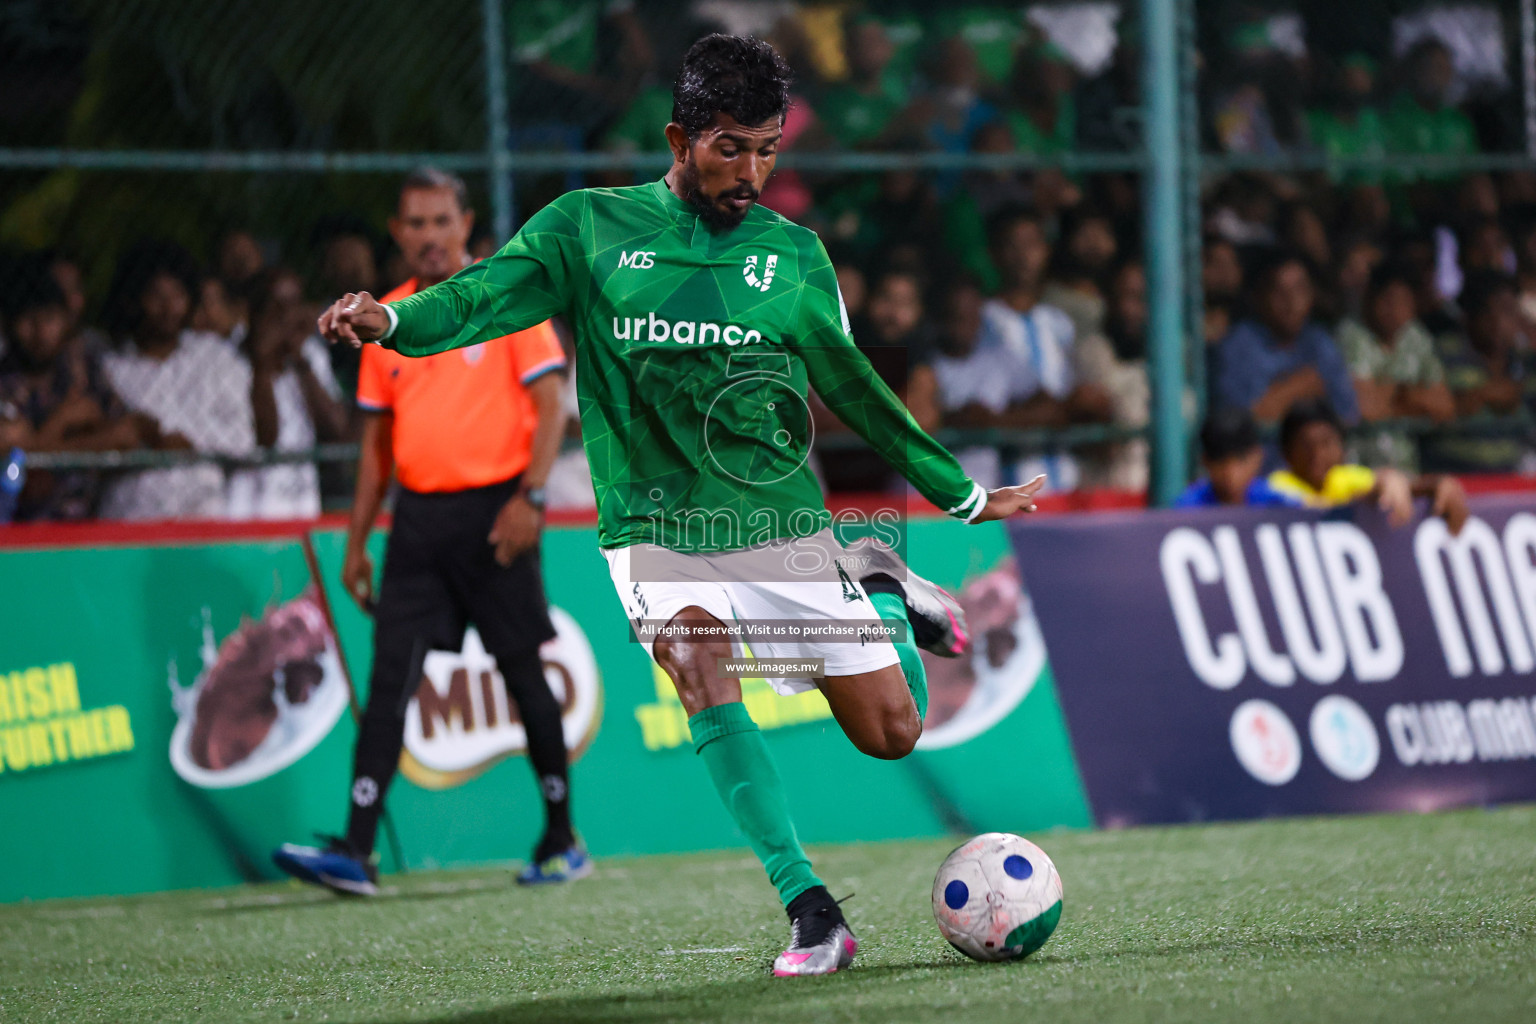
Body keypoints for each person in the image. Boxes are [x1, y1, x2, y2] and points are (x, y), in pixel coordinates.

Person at [315, 35, 1043, 977]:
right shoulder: (589, 227)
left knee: (892, 735)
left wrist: (965, 494)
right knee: (699, 662)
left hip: (774, 520)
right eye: (730, 147)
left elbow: (857, 388)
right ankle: (812, 911)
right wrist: (394, 323)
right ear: (678, 137)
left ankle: (885, 582)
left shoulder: (794, 258)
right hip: (654, 526)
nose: (752, 172)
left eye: (769, 149)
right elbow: (482, 298)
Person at [273, 169, 580, 894]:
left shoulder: (505, 296)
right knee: (389, 681)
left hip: (498, 512)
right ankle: (356, 849)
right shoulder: (387, 320)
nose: (430, 235)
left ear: (466, 224)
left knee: (522, 674)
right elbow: (375, 449)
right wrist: (355, 542)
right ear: (397, 231)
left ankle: (561, 838)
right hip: (416, 522)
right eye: (415, 223)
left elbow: (551, 407)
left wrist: (531, 498)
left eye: (442, 221)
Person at [98, 241, 257, 521]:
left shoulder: (216, 358)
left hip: (202, 519)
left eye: (178, 295)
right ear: (133, 299)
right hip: (130, 519)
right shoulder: (111, 368)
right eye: (156, 296)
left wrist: (188, 442)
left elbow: (242, 438)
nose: (169, 307)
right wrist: (148, 444)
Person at [978, 205, 1113, 491]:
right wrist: (1053, 413)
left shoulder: (1058, 321)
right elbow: (986, 411)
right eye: (1013, 246)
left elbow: (1081, 398)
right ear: (995, 253)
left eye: (1032, 244)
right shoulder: (984, 321)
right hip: (1001, 481)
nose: (1024, 256)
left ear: (1046, 251)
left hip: (1064, 478)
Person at [0, 257, 145, 520]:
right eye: (27, 319)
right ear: (9, 324)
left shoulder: (82, 372)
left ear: (66, 321)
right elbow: (26, 481)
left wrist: (40, 447)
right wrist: (62, 422)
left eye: (49, 318)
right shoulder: (5, 384)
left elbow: (126, 436)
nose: (40, 332)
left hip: (85, 530)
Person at [228, 267, 350, 520]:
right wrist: (262, 364)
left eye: (294, 305)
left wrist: (300, 361)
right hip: (245, 512)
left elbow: (337, 430)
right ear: (254, 313)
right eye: (277, 307)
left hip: (300, 508)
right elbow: (265, 438)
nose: (287, 317)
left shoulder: (309, 357)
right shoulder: (229, 361)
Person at [1268, 398, 1467, 534]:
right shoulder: (1275, 486)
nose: (1317, 455)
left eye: (1326, 443)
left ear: (1342, 448)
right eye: (1306, 445)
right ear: (1287, 451)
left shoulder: (1342, 477)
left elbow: (1383, 485)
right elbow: (1319, 509)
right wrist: (1378, 487)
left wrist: (1438, 484)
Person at [1215, 250, 1359, 426]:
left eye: (1299, 289)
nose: (1291, 301)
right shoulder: (1237, 345)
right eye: (1279, 291)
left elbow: (1347, 414)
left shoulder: (1319, 341)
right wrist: (1298, 386)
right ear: (1258, 297)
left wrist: (1277, 399)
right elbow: (1239, 422)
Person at [1336, 261, 1454, 470]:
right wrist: (1409, 395)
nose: (1394, 310)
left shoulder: (1416, 336)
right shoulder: (1350, 334)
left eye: (1403, 302)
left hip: (1407, 468)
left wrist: (1386, 394)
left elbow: (1444, 406)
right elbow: (1364, 408)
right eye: (1387, 300)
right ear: (1370, 297)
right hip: (1357, 468)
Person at [1175, 406, 1299, 508]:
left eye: (1241, 460)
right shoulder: (1187, 509)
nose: (1230, 472)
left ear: (1258, 457)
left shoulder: (1278, 505)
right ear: (1205, 461)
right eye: (1220, 460)